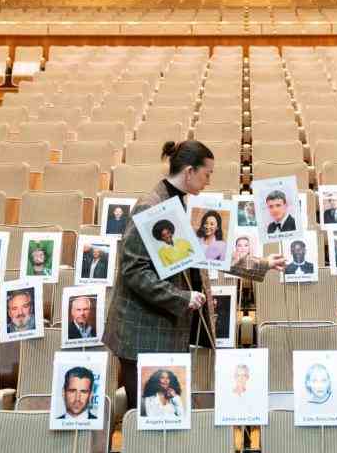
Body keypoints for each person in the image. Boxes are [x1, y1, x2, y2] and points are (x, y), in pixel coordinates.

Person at [106, 141, 285, 412]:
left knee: (166, 419)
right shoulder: (150, 206)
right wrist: (181, 297)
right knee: (148, 421)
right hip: (144, 332)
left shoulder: (179, 202)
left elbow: (210, 252)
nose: (209, 181)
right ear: (189, 171)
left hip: (166, 328)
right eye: (207, 174)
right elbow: (134, 272)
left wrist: (262, 263)